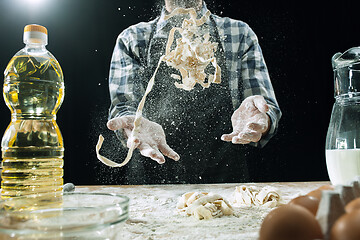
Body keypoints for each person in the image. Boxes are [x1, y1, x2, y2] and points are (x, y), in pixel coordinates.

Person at [106, 0, 282, 184]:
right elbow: (125, 106)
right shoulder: (132, 38)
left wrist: (260, 117)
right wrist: (134, 125)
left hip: (225, 180)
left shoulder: (239, 33)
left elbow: (263, 107)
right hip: (151, 181)